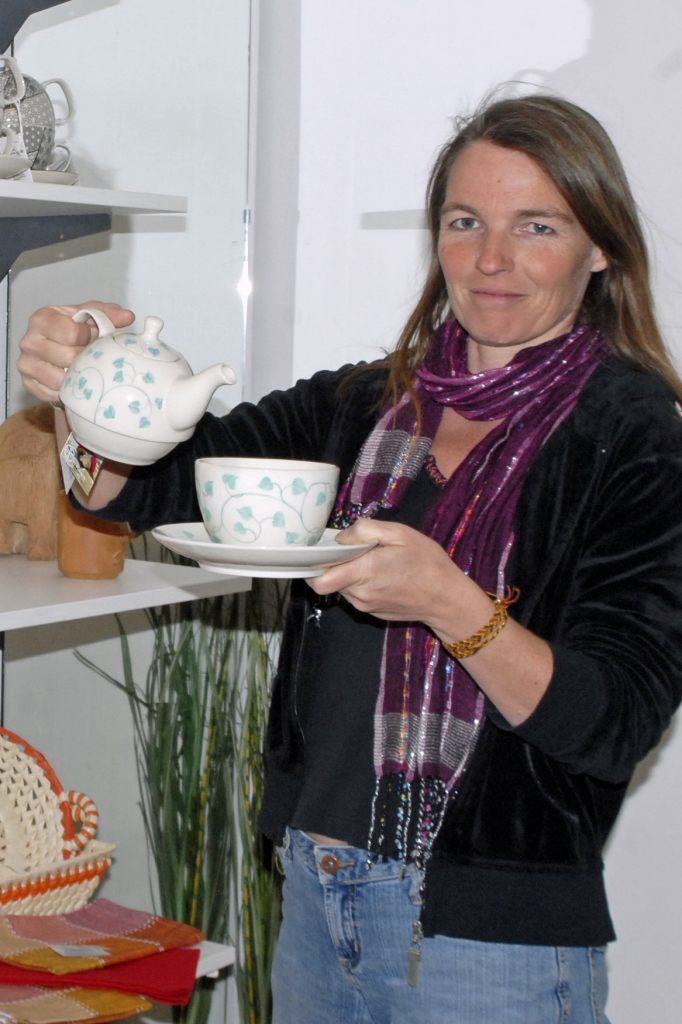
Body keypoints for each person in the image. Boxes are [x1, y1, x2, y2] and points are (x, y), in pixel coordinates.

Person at [18, 95, 682, 1023]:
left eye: (537, 226)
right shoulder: (366, 404)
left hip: (490, 944)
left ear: (600, 248)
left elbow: (614, 721)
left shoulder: (633, 434)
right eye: (465, 222)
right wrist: (88, 395)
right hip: (314, 893)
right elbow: (148, 487)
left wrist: (451, 603)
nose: (491, 258)